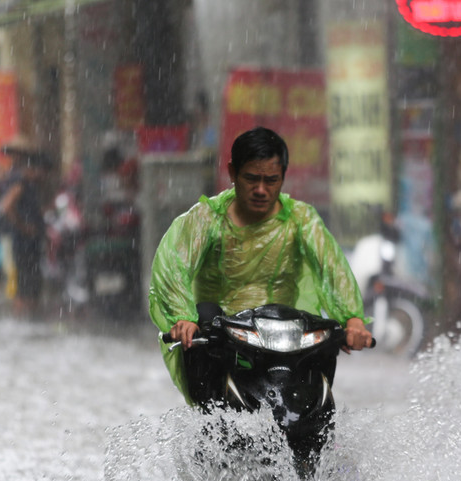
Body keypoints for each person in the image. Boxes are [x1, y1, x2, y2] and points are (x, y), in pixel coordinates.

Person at [149, 127, 373, 405]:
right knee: (202, 321)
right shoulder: (207, 218)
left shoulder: (301, 219)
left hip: (286, 336)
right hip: (225, 337)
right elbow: (173, 266)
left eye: (271, 180)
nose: (261, 190)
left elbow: (332, 268)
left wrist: (352, 319)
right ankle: (208, 429)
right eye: (251, 179)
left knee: (323, 347)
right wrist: (183, 318)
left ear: (283, 177)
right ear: (232, 173)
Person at [0, 136, 51, 318]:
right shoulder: (20, 180)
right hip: (24, 242)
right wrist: (24, 227)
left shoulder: (17, 179)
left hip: (27, 241)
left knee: (29, 284)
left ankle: (27, 321)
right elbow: (6, 206)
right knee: (26, 286)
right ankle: (24, 320)